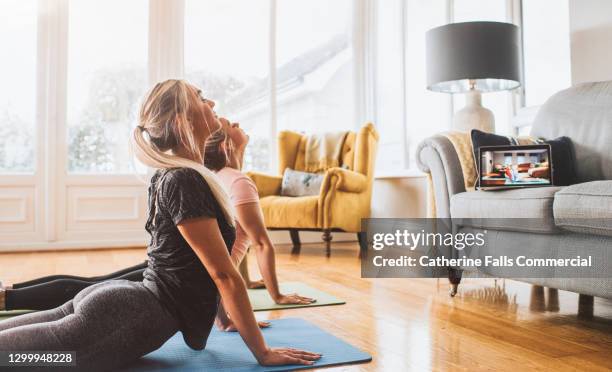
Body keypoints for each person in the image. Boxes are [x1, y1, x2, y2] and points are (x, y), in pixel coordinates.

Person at [0, 79, 321, 370]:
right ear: (184, 121)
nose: (212, 104)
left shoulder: (183, 176)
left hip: (119, 307)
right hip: (118, 320)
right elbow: (223, 273)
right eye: (200, 97)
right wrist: (262, 352)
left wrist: (226, 319)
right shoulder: (183, 179)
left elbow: (201, 268)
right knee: (13, 360)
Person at [203, 121, 314, 331]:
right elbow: (261, 243)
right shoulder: (239, 182)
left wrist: (244, 285)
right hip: (212, 293)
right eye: (230, 125)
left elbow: (231, 239)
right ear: (226, 146)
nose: (237, 123)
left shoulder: (216, 177)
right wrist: (277, 296)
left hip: (208, 292)